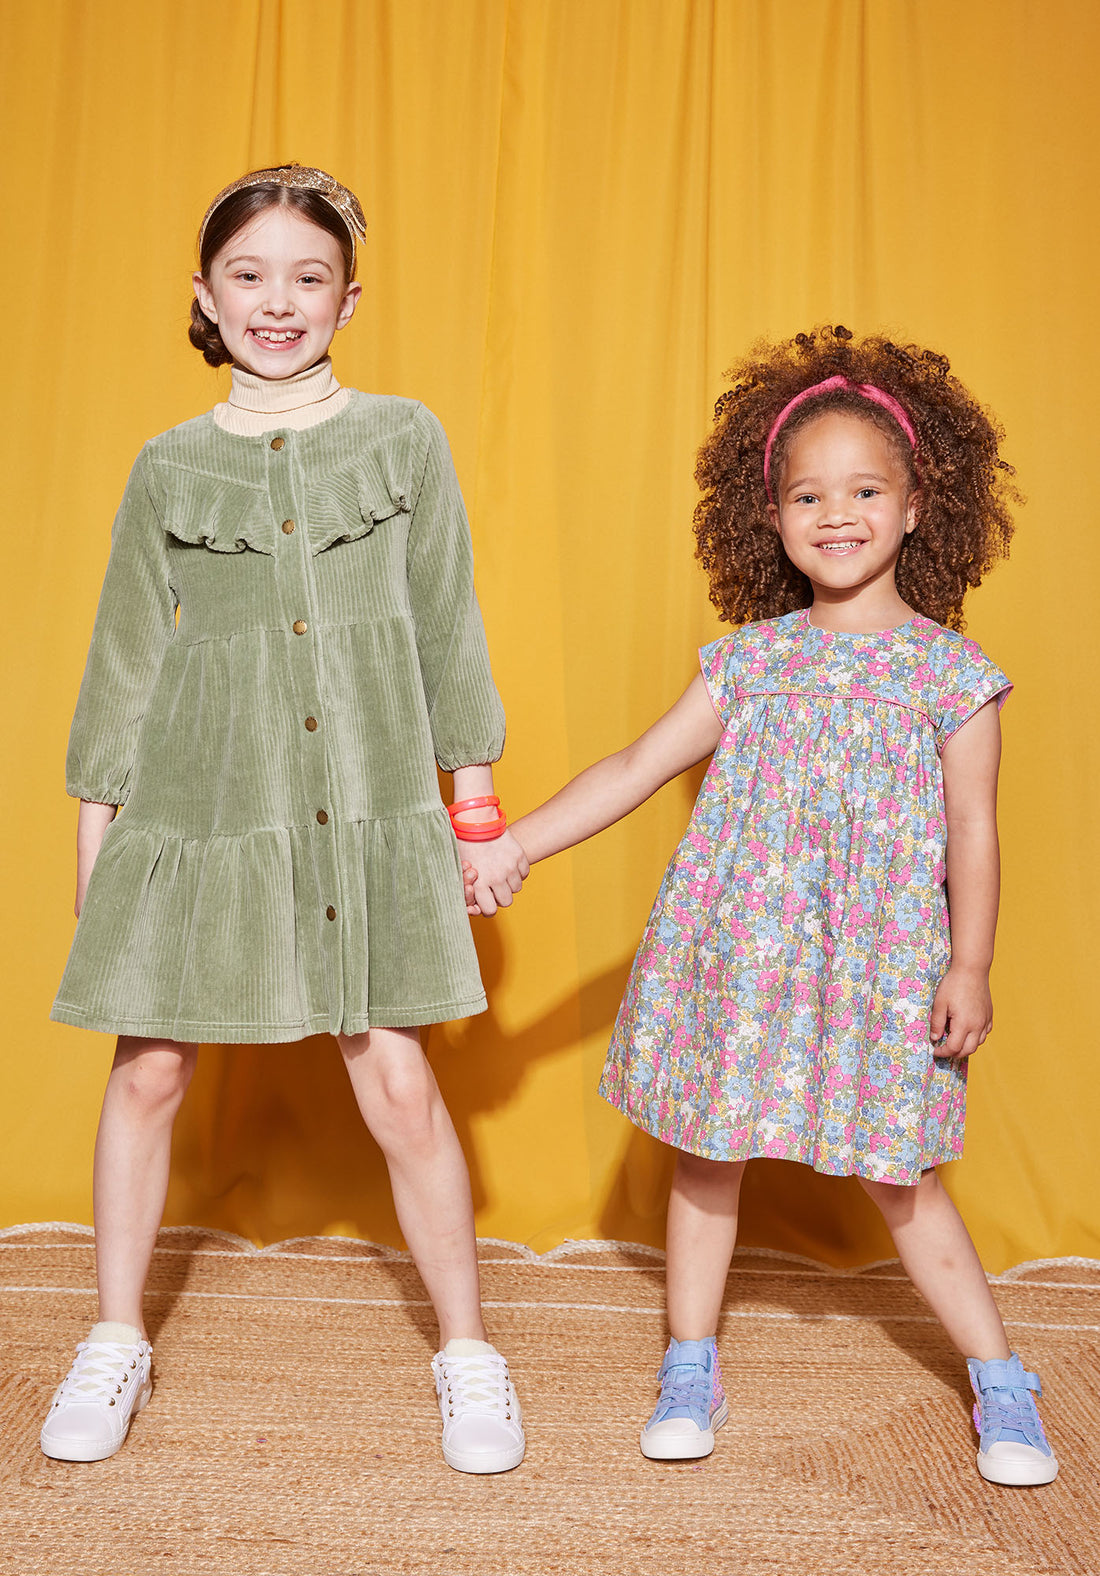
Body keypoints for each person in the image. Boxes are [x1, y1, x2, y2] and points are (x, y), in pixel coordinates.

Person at [469, 326, 1057, 1486]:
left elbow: (974, 833)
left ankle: (1000, 1380)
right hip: (734, 956)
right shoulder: (747, 661)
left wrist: (968, 966)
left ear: (915, 502)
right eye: (805, 493)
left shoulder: (950, 673)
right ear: (769, 516)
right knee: (704, 1160)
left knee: (900, 1175)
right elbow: (635, 768)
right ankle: (688, 1362)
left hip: (879, 962)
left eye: (862, 489)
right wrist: (514, 845)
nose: (833, 513)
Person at [42, 164, 528, 1474]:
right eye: (249, 276)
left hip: (365, 802)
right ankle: (112, 1335)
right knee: (147, 1072)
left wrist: (472, 800)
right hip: (203, 811)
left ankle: (469, 1354)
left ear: (347, 298)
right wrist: (98, 844)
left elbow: (444, 616)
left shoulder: (405, 438)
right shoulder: (166, 467)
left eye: (308, 277)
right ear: (205, 295)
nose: (277, 300)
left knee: (399, 1084)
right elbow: (127, 660)